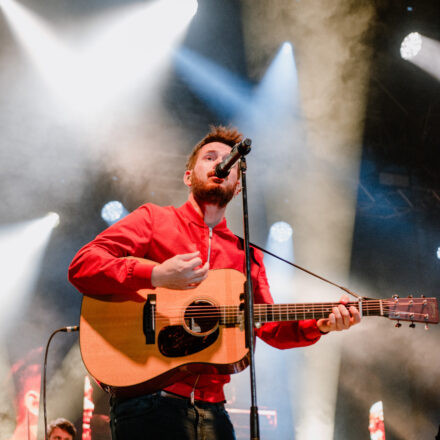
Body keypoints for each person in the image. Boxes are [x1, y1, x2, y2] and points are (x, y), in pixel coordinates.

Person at [68, 125, 361, 440]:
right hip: (148, 398)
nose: (221, 164)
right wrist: (155, 275)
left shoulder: (246, 256)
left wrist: (320, 325)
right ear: (188, 175)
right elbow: (83, 265)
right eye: (210, 157)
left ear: (238, 187)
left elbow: (269, 327)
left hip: (213, 411)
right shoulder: (154, 220)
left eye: (230, 163)